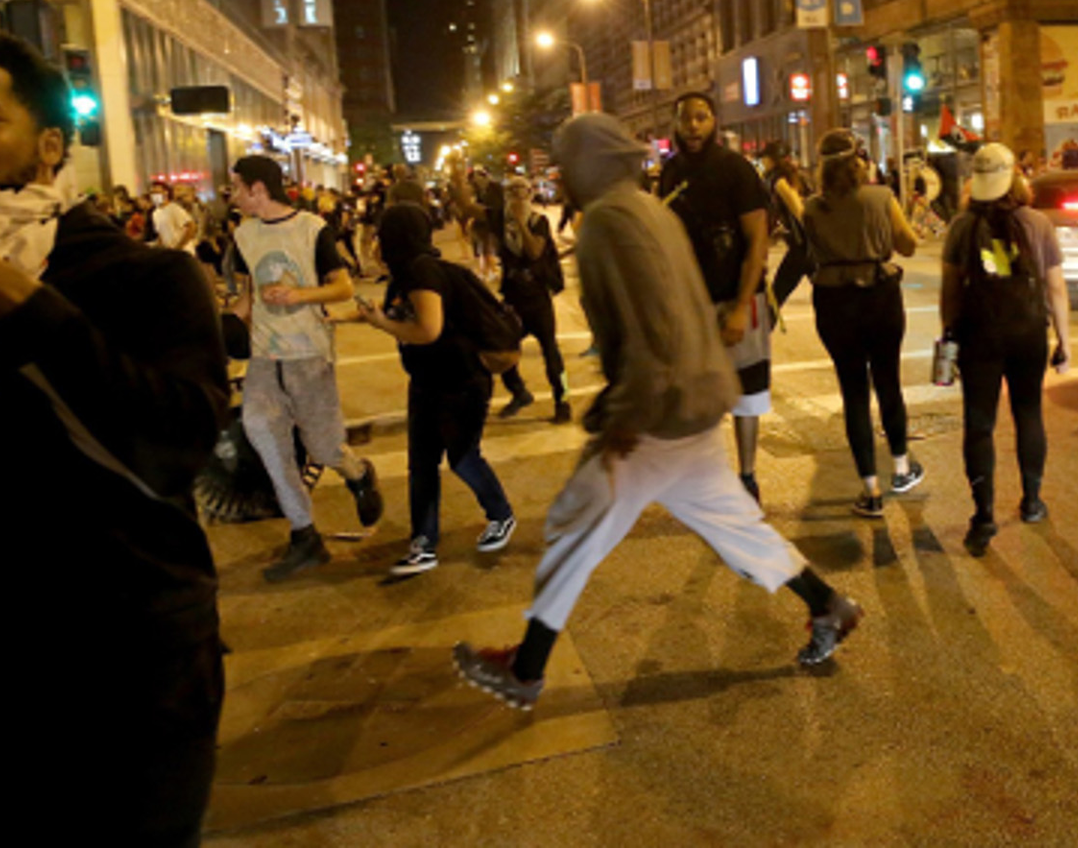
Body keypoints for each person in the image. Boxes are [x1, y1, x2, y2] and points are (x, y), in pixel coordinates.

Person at [451, 114, 866, 709]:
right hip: (693, 401)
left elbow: (653, 323)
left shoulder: (611, 222)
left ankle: (527, 668)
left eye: (567, 164)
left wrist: (626, 414)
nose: (561, 176)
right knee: (735, 526)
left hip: (655, 414)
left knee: (576, 528)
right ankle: (828, 605)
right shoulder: (649, 210)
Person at [0, 25, 228, 843]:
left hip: (121, 668)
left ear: (48, 147)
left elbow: (172, 452)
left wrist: (5, 292)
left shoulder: (142, 277)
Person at [228, 155, 383, 581]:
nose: (233, 195)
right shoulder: (242, 235)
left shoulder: (312, 229)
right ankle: (305, 535)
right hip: (264, 358)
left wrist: (299, 296)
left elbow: (343, 286)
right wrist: (219, 323)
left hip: (309, 355)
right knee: (262, 430)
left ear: (259, 189)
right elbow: (248, 297)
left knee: (324, 445)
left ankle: (357, 473)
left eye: (238, 187)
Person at [359, 203, 519, 575]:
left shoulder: (420, 270)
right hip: (429, 380)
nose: (377, 240)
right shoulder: (406, 272)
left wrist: (380, 324)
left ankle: (501, 514)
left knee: (463, 457)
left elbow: (427, 330)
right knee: (421, 464)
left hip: (460, 381)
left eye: (382, 233)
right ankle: (424, 543)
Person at [941, 143, 1070, 557]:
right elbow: (1056, 289)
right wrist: (1064, 342)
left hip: (979, 334)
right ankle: (1032, 501)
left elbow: (950, 291)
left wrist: (950, 334)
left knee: (979, 424)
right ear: (1017, 177)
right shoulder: (1037, 223)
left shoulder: (962, 226)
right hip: (1027, 331)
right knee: (1028, 412)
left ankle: (983, 516)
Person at [658, 92, 774, 501]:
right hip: (691, 302)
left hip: (737, 297)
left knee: (747, 391)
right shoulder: (670, 172)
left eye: (701, 118)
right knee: (698, 393)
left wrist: (741, 308)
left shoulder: (736, 169)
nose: (693, 126)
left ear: (715, 122)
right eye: (685, 118)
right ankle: (709, 476)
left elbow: (757, 240)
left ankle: (746, 476)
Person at [804, 129, 925, 518]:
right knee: (888, 381)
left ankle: (870, 491)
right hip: (879, 296)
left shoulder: (812, 208)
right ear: (859, 161)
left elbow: (806, 254)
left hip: (834, 301)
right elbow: (908, 245)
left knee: (853, 391)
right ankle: (903, 469)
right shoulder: (880, 198)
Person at [494, 175, 571, 424]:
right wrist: (458, 173)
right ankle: (519, 392)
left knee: (550, 351)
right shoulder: (500, 222)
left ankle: (563, 400)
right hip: (513, 298)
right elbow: (467, 207)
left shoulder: (538, 222)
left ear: (529, 194)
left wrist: (520, 222)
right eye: (512, 191)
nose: (517, 196)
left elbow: (535, 251)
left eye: (522, 190)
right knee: (502, 347)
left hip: (537, 297)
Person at [761, 140, 813, 318]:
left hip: (803, 248)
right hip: (805, 247)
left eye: (765, 158)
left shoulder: (779, 181)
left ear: (773, 160)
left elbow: (799, 211)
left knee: (776, 296)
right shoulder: (787, 178)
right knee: (827, 296)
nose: (763, 162)